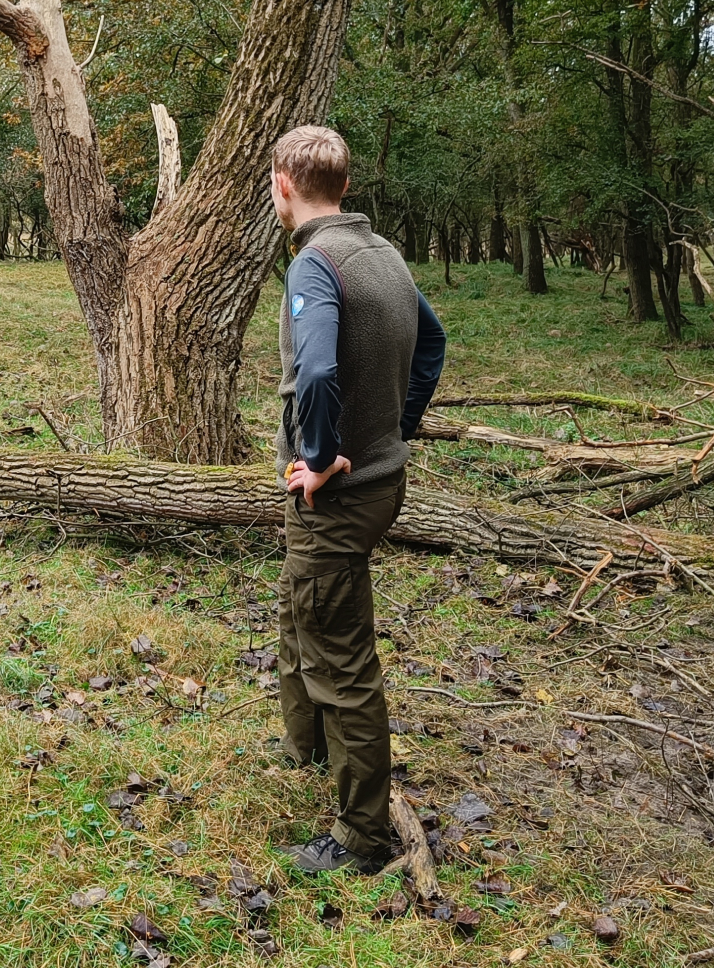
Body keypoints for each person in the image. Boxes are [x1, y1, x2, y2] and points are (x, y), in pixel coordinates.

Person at [270, 125, 446, 873]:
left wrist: (318, 458)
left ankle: (364, 837)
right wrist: (395, 430)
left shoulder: (316, 265)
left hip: (338, 497)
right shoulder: (385, 255)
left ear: (283, 185)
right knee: (301, 604)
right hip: (383, 482)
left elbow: (314, 375)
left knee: (342, 659)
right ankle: (304, 747)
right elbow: (432, 344)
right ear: (343, 185)